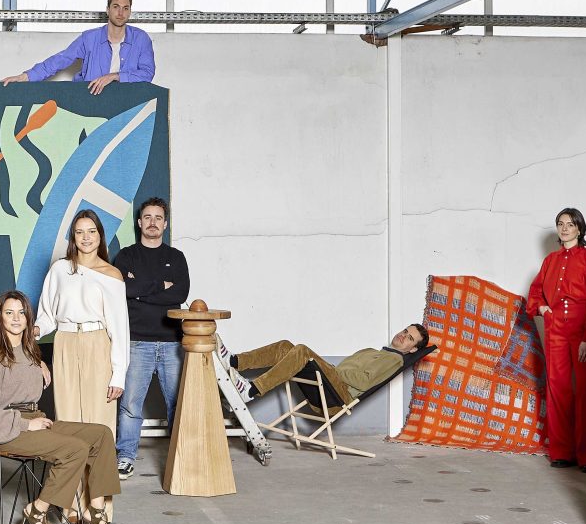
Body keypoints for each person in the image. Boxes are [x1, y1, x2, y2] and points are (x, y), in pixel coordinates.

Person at [0, 290, 120, 524]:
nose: (16, 318)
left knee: (101, 434)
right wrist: (26, 425)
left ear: (29, 318)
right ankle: (37, 510)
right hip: (8, 430)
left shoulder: (29, 352)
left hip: (36, 420)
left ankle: (96, 510)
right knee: (75, 449)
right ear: (0, 318)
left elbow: (24, 376)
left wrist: (39, 363)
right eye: (9, 313)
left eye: (21, 313)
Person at [34, 210, 128, 522]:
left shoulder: (111, 275)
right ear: (72, 237)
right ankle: (70, 503)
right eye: (79, 232)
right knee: (69, 424)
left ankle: (100, 507)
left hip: (97, 344)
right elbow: (47, 314)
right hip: (63, 343)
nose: (86, 237)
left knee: (100, 426)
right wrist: (32, 331)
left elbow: (120, 329)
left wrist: (119, 373)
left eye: (91, 231)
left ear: (101, 236)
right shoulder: (60, 270)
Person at [528, 207, 586, 473]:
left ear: (579, 229)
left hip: (581, 327)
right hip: (555, 329)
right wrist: (542, 309)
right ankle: (562, 451)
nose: (565, 228)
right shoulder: (550, 261)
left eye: (571, 224)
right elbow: (536, 291)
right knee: (558, 388)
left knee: (585, 390)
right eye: (561, 224)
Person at [112, 197, 189, 480]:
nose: (153, 222)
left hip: (172, 343)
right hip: (136, 342)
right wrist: (158, 285)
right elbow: (121, 289)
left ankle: (182, 454)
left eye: (158, 218)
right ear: (139, 222)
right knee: (131, 405)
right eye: (147, 217)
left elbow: (179, 294)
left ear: (165, 224)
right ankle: (125, 457)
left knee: (177, 404)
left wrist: (140, 290)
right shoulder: (126, 256)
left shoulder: (177, 257)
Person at [1, 0, 156, 94]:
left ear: (130, 12)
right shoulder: (89, 38)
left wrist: (115, 76)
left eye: (126, 8)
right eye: (116, 7)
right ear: (108, 10)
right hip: (91, 99)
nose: (121, 12)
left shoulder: (141, 39)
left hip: (127, 102)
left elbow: (147, 73)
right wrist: (25, 77)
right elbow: (61, 59)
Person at [229, 325, 431, 403]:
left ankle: (251, 391)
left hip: (336, 395)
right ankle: (234, 361)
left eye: (410, 339)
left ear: (413, 350)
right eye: (405, 331)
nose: (403, 336)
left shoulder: (393, 360)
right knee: (285, 346)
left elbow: (363, 382)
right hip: (329, 384)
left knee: (301, 350)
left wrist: (332, 371)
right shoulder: (375, 352)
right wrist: (329, 370)